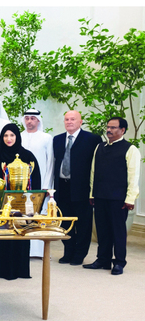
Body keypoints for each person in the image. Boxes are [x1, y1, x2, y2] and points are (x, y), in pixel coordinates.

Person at [0, 123, 41, 280]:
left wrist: (32, 203)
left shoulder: (27, 156)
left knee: (19, 235)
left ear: (17, 137)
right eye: (5, 135)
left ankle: (19, 270)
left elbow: (35, 180)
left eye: (12, 135)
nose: (8, 139)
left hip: (20, 205)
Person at [85, 117, 140, 275]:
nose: (109, 130)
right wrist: (92, 194)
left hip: (119, 199)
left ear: (122, 130)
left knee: (118, 231)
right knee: (102, 230)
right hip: (100, 196)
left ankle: (119, 262)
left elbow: (133, 176)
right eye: (108, 127)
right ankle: (103, 259)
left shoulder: (130, 149)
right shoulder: (99, 147)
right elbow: (93, 172)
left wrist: (130, 199)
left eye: (113, 127)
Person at [53, 110, 102, 266]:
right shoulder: (57, 139)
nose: (69, 122)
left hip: (82, 189)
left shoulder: (92, 139)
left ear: (80, 122)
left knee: (83, 224)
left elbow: (98, 166)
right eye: (67, 119)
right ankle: (68, 251)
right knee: (65, 222)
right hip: (62, 187)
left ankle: (79, 254)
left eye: (73, 119)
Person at [20, 108, 54, 258]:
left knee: (39, 215)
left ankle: (39, 251)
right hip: (22, 183)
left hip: (41, 184)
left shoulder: (46, 138)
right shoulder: (19, 136)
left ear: (38, 120)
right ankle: (24, 250)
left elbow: (50, 162)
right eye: (27, 118)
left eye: (33, 118)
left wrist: (47, 185)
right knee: (23, 214)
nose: (29, 121)